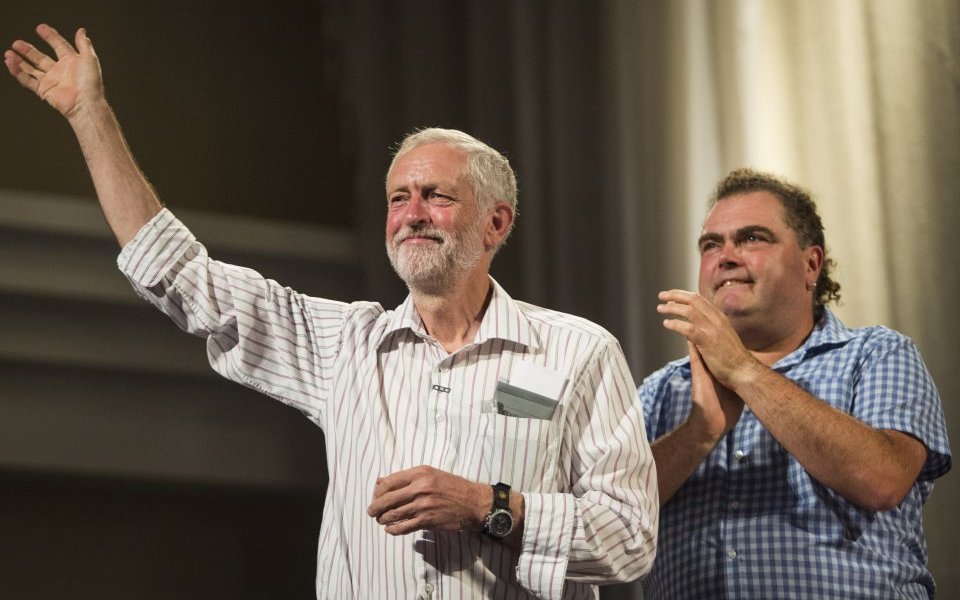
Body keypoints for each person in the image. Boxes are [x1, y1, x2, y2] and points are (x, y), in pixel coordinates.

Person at [5, 24, 658, 599]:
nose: (411, 215)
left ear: (496, 222)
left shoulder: (577, 353)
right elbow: (181, 276)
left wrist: (486, 506)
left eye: (436, 196)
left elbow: (631, 539)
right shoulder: (347, 345)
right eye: (398, 198)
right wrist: (90, 115)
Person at [640, 167, 951, 599]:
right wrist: (698, 434)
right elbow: (610, 518)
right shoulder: (659, 392)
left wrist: (744, 371)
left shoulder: (876, 354)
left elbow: (882, 479)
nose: (726, 255)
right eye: (711, 244)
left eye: (752, 238)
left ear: (811, 265)